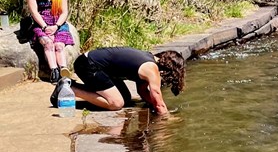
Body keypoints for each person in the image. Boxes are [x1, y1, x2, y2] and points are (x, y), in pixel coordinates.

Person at [56, 47, 185, 115]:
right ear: (169, 70)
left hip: (90, 62)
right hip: (88, 65)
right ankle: (71, 88)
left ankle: (69, 90)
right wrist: (166, 118)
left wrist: (151, 104)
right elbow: (157, 99)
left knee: (126, 98)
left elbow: (142, 91)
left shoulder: (148, 60)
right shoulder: (152, 69)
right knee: (116, 103)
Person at [25, 0, 74, 82]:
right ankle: (54, 71)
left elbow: (64, 12)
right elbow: (34, 12)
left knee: (59, 46)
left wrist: (56, 26)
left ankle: (63, 70)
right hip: (41, 24)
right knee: (48, 44)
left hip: (58, 23)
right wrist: (45, 27)